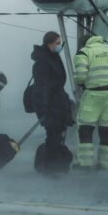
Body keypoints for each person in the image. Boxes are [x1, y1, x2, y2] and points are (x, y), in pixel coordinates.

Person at [73, 34, 108, 170]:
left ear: (84, 43)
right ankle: (105, 164)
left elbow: (80, 77)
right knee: (107, 130)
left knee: (86, 129)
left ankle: (85, 164)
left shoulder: (84, 52)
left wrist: (82, 83)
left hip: (93, 95)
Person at [30, 31, 75, 175]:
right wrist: (44, 111)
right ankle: (51, 169)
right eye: (57, 43)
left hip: (58, 105)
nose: (59, 46)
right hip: (51, 107)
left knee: (57, 136)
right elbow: (42, 88)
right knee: (53, 136)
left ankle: (53, 167)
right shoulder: (44, 61)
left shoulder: (53, 58)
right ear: (49, 43)